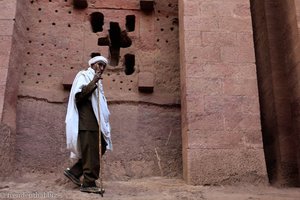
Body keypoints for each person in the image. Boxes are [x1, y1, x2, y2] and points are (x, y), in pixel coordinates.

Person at [64, 56, 112, 194]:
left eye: (104, 66)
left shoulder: (97, 82)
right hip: (87, 123)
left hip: (96, 124)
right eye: (99, 65)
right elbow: (79, 97)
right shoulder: (84, 76)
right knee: (93, 151)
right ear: (92, 65)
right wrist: (94, 82)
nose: (102, 68)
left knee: (100, 147)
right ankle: (88, 183)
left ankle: (75, 171)